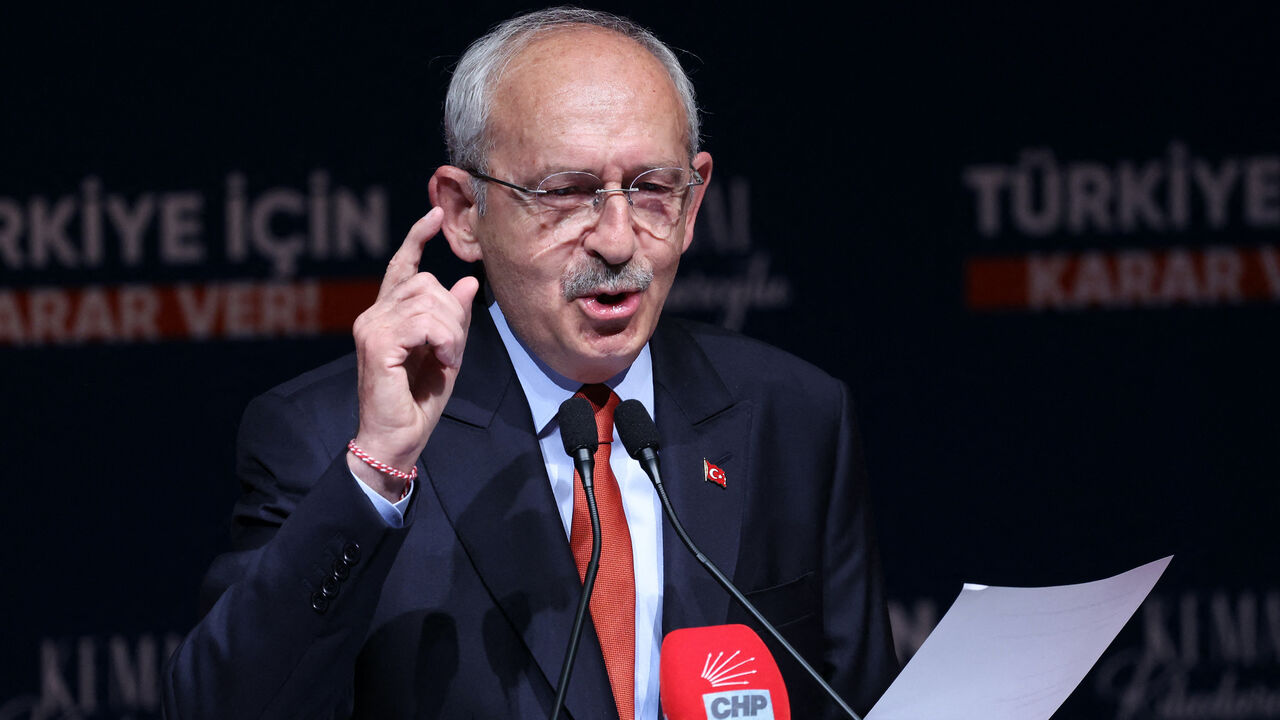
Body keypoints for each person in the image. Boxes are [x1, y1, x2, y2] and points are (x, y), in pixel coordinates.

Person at [163, 7, 898, 719]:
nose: (617, 240)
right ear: (462, 212)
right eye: (566, 193)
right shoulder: (329, 436)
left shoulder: (793, 416)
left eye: (650, 190)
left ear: (694, 200)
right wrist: (378, 468)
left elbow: (858, 702)